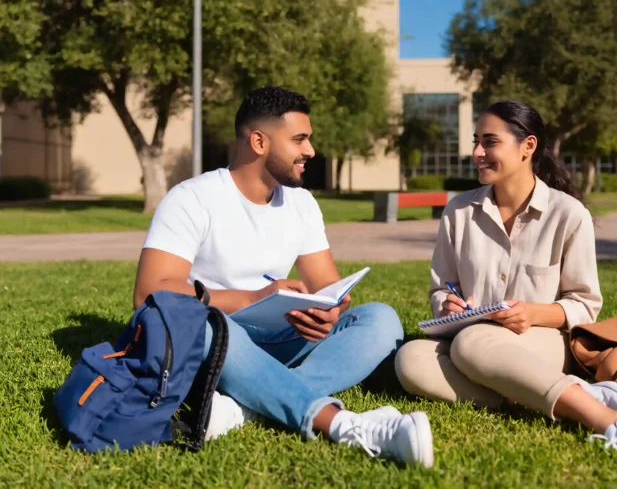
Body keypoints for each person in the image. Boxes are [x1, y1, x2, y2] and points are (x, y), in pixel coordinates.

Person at [133, 86, 433, 467]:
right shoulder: (192, 198)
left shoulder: (301, 203)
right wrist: (254, 298)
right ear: (259, 141)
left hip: (281, 335)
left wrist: (330, 309)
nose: (310, 150)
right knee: (205, 326)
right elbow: (149, 294)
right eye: (299, 139)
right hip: (217, 343)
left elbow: (329, 285)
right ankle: (344, 425)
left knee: (380, 319)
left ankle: (249, 408)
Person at [394, 100, 617, 467]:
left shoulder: (568, 214)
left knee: (470, 343)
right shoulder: (459, 212)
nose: (477, 152)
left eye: (489, 142)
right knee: (410, 360)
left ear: (527, 146)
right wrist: (447, 304)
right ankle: (547, 392)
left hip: (545, 341)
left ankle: (613, 422)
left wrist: (531, 314)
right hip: (470, 339)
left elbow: (584, 304)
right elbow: (442, 287)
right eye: (475, 141)